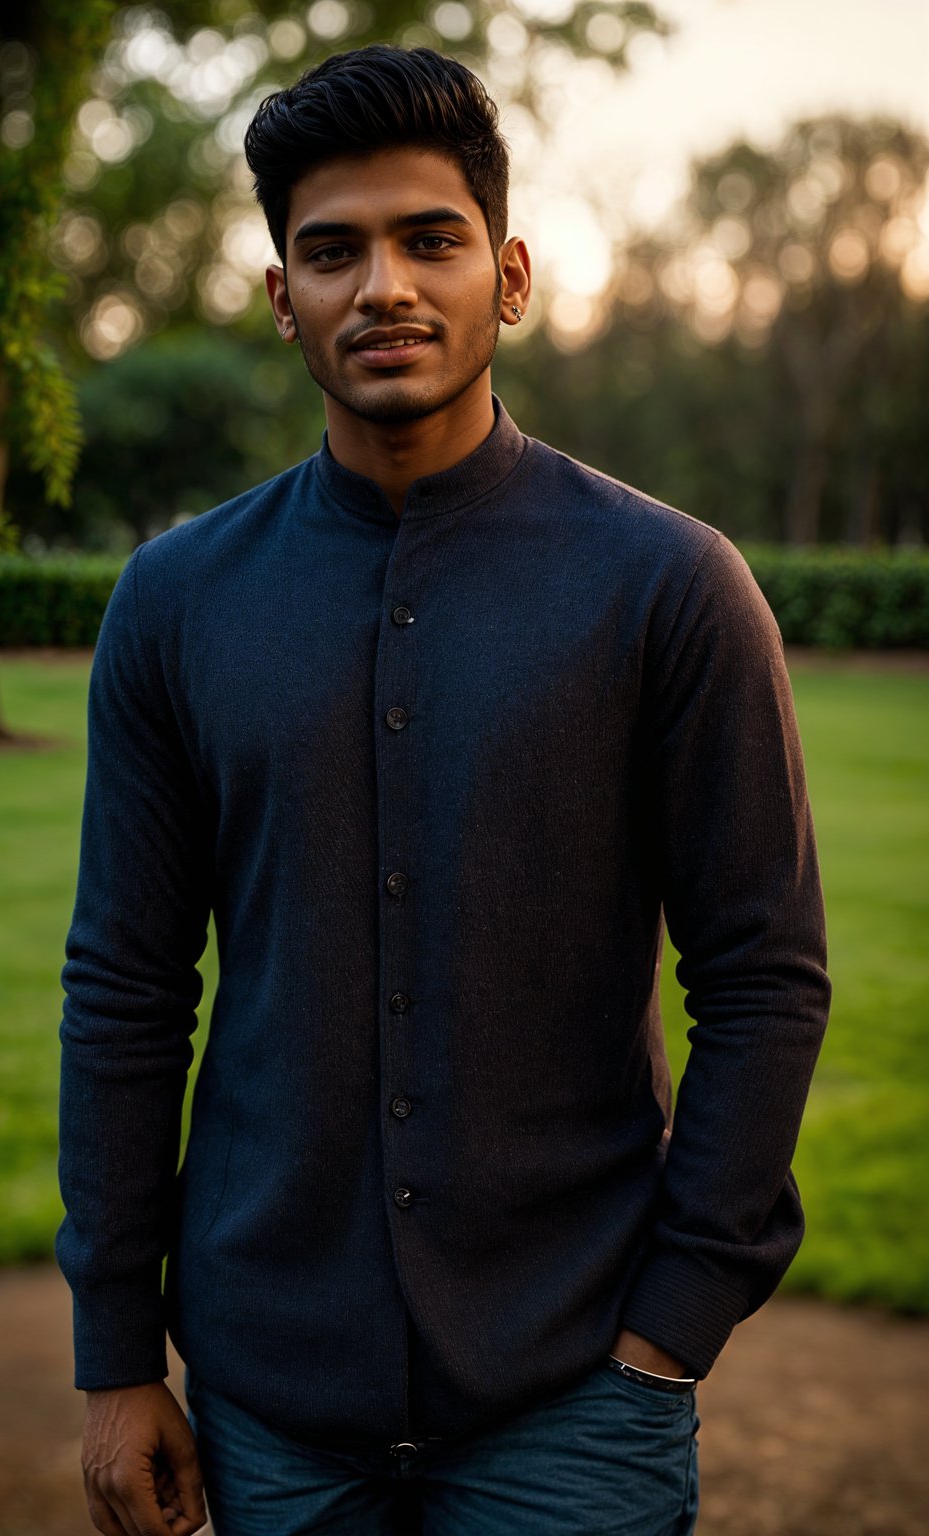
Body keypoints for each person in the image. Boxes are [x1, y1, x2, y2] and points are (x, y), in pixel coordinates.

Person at [57, 43, 831, 1536]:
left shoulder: (669, 588)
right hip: (267, 1398)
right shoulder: (176, 602)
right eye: (332, 251)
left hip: (576, 1394)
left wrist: (673, 1322)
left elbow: (762, 976)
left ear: (512, 275)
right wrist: (112, 1352)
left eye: (432, 239)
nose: (384, 287)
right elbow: (127, 988)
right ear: (283, 297)